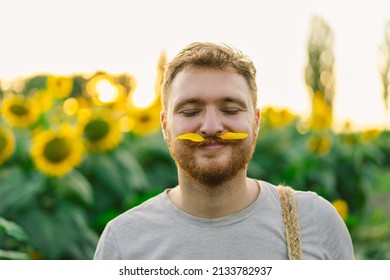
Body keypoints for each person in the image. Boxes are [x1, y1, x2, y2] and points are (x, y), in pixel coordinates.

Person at [93, 42, 354, 260]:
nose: (210, 127)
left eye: (230, 110)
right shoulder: (123, 241)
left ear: (256, 122)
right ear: (165, 126)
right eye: (191, 111)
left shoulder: (316, 222)